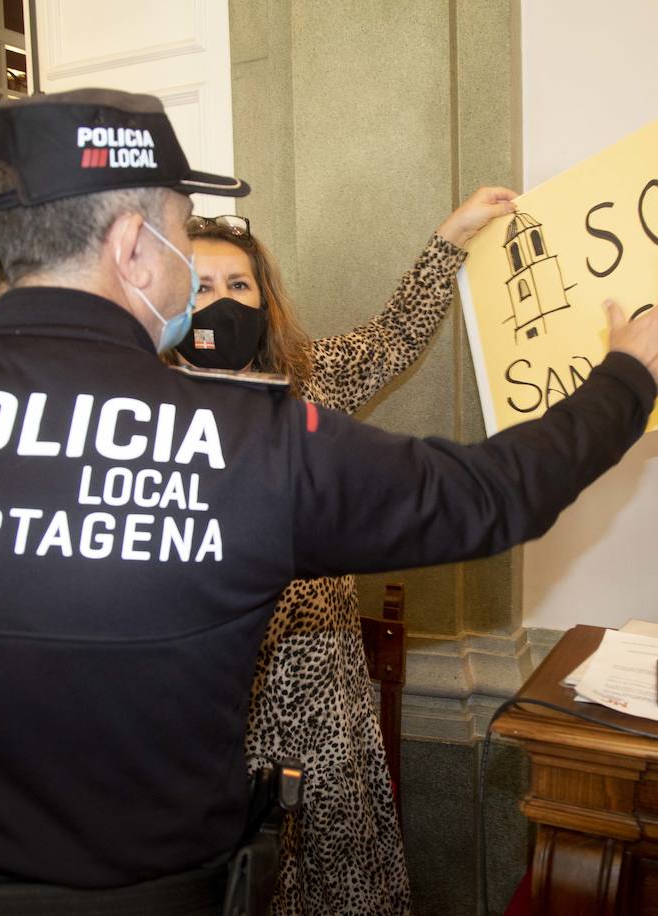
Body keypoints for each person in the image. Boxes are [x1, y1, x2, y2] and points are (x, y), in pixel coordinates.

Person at [0, 88, 658, 915]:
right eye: (187, 230)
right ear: (135, 247)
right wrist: (628, 376)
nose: (198, 264)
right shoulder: (251, 445)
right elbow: (491, 496)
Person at [181, 190, 512, 915]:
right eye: (201, 286)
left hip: (319, 676)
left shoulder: (311, 380)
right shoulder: (143, 407)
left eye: (240, 285)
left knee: (333, 864)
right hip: (209, 694)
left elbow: (395, 336)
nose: (223, 302)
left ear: (265, 300)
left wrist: (451, 236)